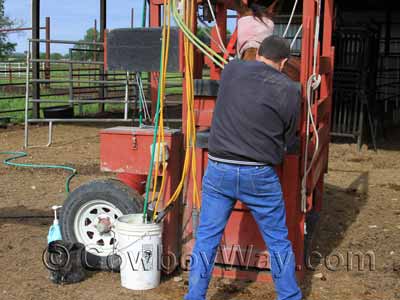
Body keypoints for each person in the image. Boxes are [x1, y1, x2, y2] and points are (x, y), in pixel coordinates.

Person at [184, 36, 302, 300]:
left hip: (219, 168)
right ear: (283, 63)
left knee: (207, 237)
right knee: (278, 240)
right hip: (258, 172)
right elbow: (288, 135)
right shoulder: (290, 89)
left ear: (258, 52)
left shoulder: (231, 70)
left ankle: (194, 297)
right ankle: (290, 297)